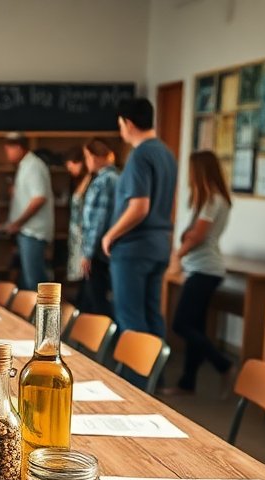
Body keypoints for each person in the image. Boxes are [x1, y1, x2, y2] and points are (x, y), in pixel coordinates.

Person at [101, 97, 178, 341]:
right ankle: (155, 376)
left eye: (120, 124)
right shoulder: (167, 153)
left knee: (130, 318)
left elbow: (139, 207)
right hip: (159, 245)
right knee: (152, 313)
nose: (120, 130)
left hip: (134, 247)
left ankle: (135, 379)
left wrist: (110, 235)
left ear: (129, 123)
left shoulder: (139, 156)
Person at [165, 151, 234, 394]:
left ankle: (223, 364)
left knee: (181, 324)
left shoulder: (212, 200)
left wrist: (177, 255)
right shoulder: (205, 199)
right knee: (196, 326)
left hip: (205, 270)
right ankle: (188, 383)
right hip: (200, 269)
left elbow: (197, 235)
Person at [0, 133, 53, 290]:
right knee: (25, 280)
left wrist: (17, 223)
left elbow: (39, 198)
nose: (7, 154)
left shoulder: (34, 166)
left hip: (33, 231)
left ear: (18, 147)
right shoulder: (24, 165)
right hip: (26, 231)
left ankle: (40, 315)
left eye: (9, 150)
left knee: (34, 280)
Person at [78, 139, 120, 318]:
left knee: (96, 300)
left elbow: (98, 220)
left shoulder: (103, 181)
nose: (87, 162)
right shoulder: (118, 176)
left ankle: (96, 343)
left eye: (87, 157)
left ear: (95, 157)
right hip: (110, 248)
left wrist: (87, 253)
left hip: (98, 250)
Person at [64, 148, 90, 292]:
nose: (69, 168)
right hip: (76, 234)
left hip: (85, 235)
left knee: (86, 274)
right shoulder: (76, 182)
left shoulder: (93, 181)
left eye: (72, 164)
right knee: (79, 277)